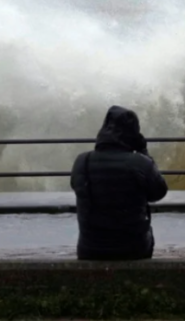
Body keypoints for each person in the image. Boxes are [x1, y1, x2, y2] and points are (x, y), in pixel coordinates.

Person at [70, 105, 168, 260]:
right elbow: (159, 192)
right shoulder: (140, 163)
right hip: (134, 249)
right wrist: (143, 152)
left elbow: (76, 187)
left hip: (90, 249)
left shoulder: (82, 161)